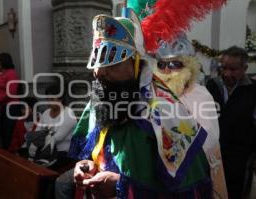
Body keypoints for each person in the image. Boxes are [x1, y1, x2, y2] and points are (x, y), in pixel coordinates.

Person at [68, 13, 213, 199]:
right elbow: (91, 150)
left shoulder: (165, 111)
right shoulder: (101, 99)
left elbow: (189, 191)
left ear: (136, 65)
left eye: (113, 62)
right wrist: (85, 165)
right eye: (98, 60)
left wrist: (122, 186)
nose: (100, 72)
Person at [153, 35, 227, 198]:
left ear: (189, 66)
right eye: (161, 64)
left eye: (174, 64)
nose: (167, 70)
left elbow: (209, 139)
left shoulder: (200, 94)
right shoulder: (154, 94)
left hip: (195, 173)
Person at [206, 46, 256, 199]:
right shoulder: (211, 85)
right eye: (224, 68)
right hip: (212, 153)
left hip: (240, 156)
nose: (227, 73)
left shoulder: (253, 90)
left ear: (245, 68)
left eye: (233, 69)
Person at [28, 85, 77, 169]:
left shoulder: (68, 114)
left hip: (63, 152)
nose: (49, 102)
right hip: (45, 149)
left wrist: (41, 137)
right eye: (48, 99)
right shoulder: (46, 113)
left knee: (41, 166)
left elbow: (58, 138)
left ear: (60, 99)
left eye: (52, 99)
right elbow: (37, 132)